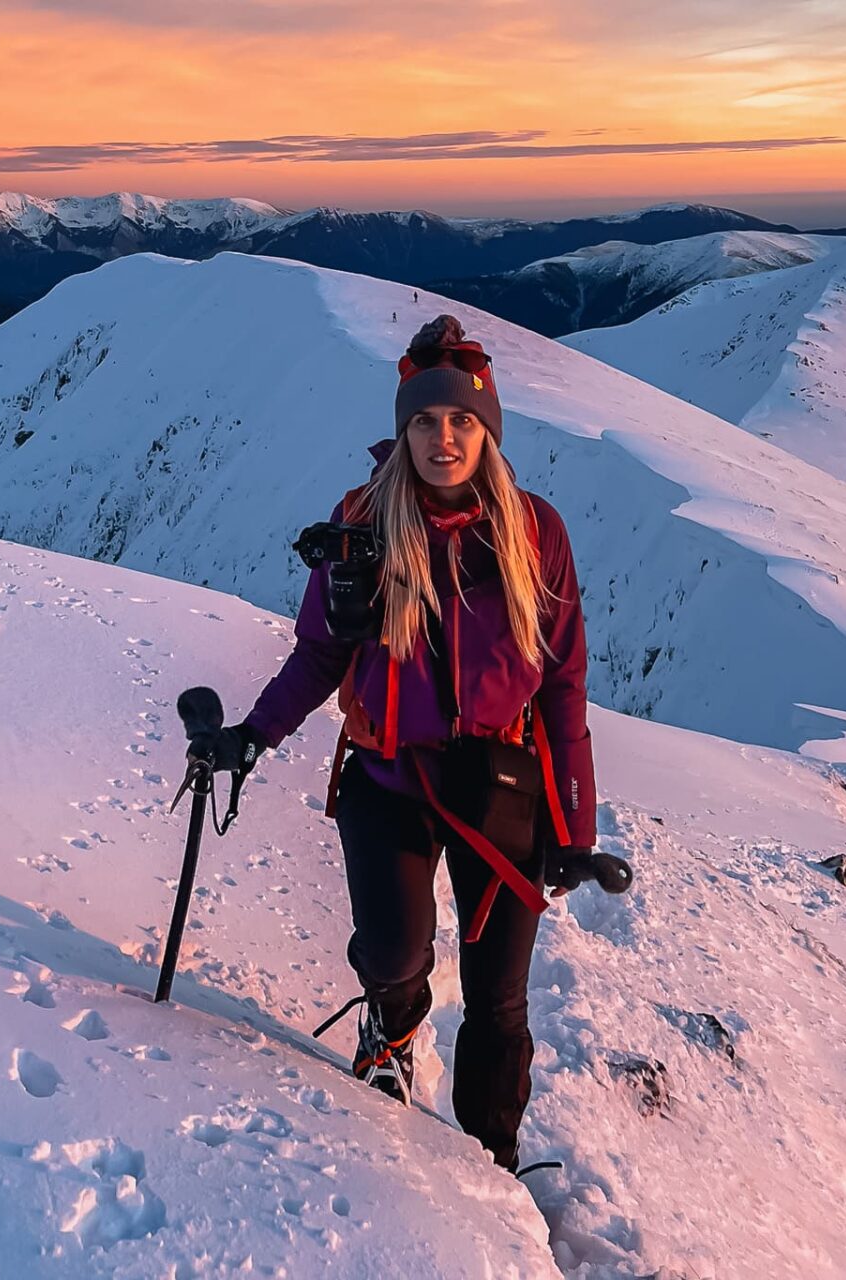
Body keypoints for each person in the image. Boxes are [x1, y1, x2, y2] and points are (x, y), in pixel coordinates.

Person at [196, 314, 606, 1171]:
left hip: (504, 776)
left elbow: (563, 686)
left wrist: (575, 830)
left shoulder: (537, 535)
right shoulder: (360, 525)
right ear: (403, 429)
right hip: (390, 776)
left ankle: (491, 1162)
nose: (442, 437)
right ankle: (391, 1028)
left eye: (461, 421)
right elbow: (319, 655)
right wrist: (253, 736)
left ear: (487, 431)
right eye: (424, 420)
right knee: (394, 950)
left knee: (499, 1000)